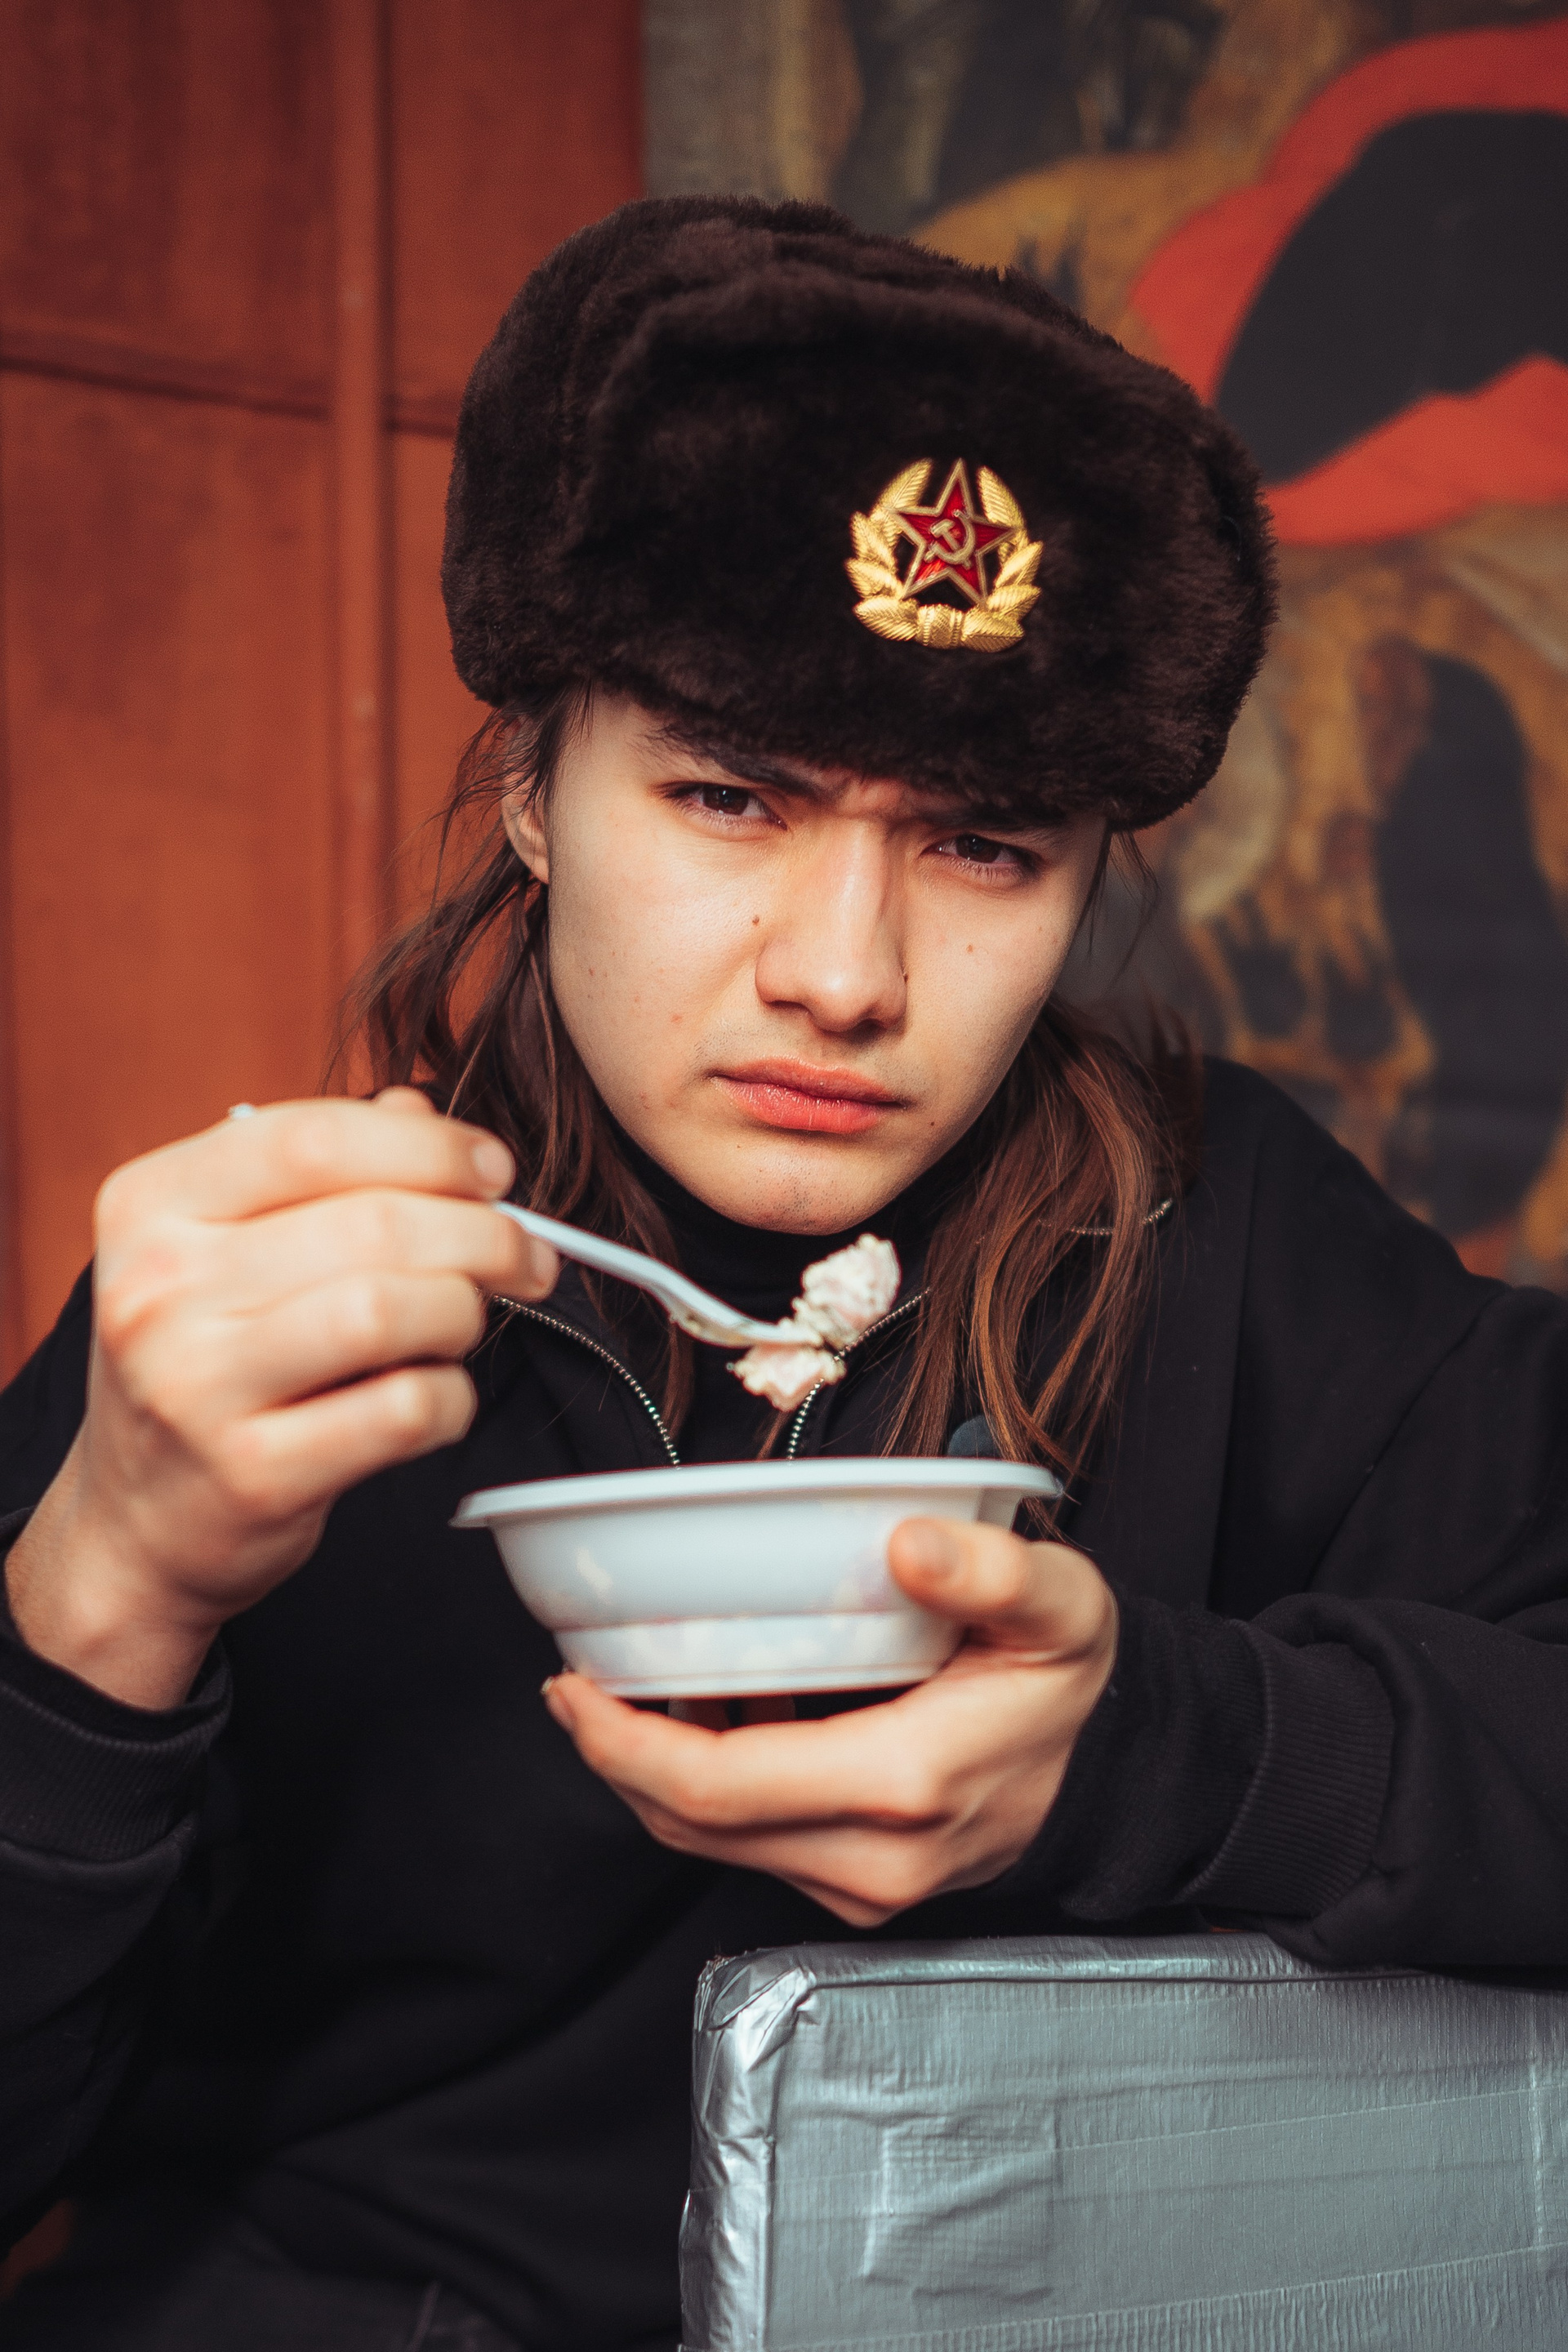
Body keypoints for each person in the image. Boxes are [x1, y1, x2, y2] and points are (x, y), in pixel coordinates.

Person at [1, 195, 1565, 2352]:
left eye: (984, 846)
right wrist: (101, 1597)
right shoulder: (255, 1330)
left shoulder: (1236, 1245)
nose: (845, 976)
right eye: (732, 798)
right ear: (534, 788)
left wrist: (1151, 1754)